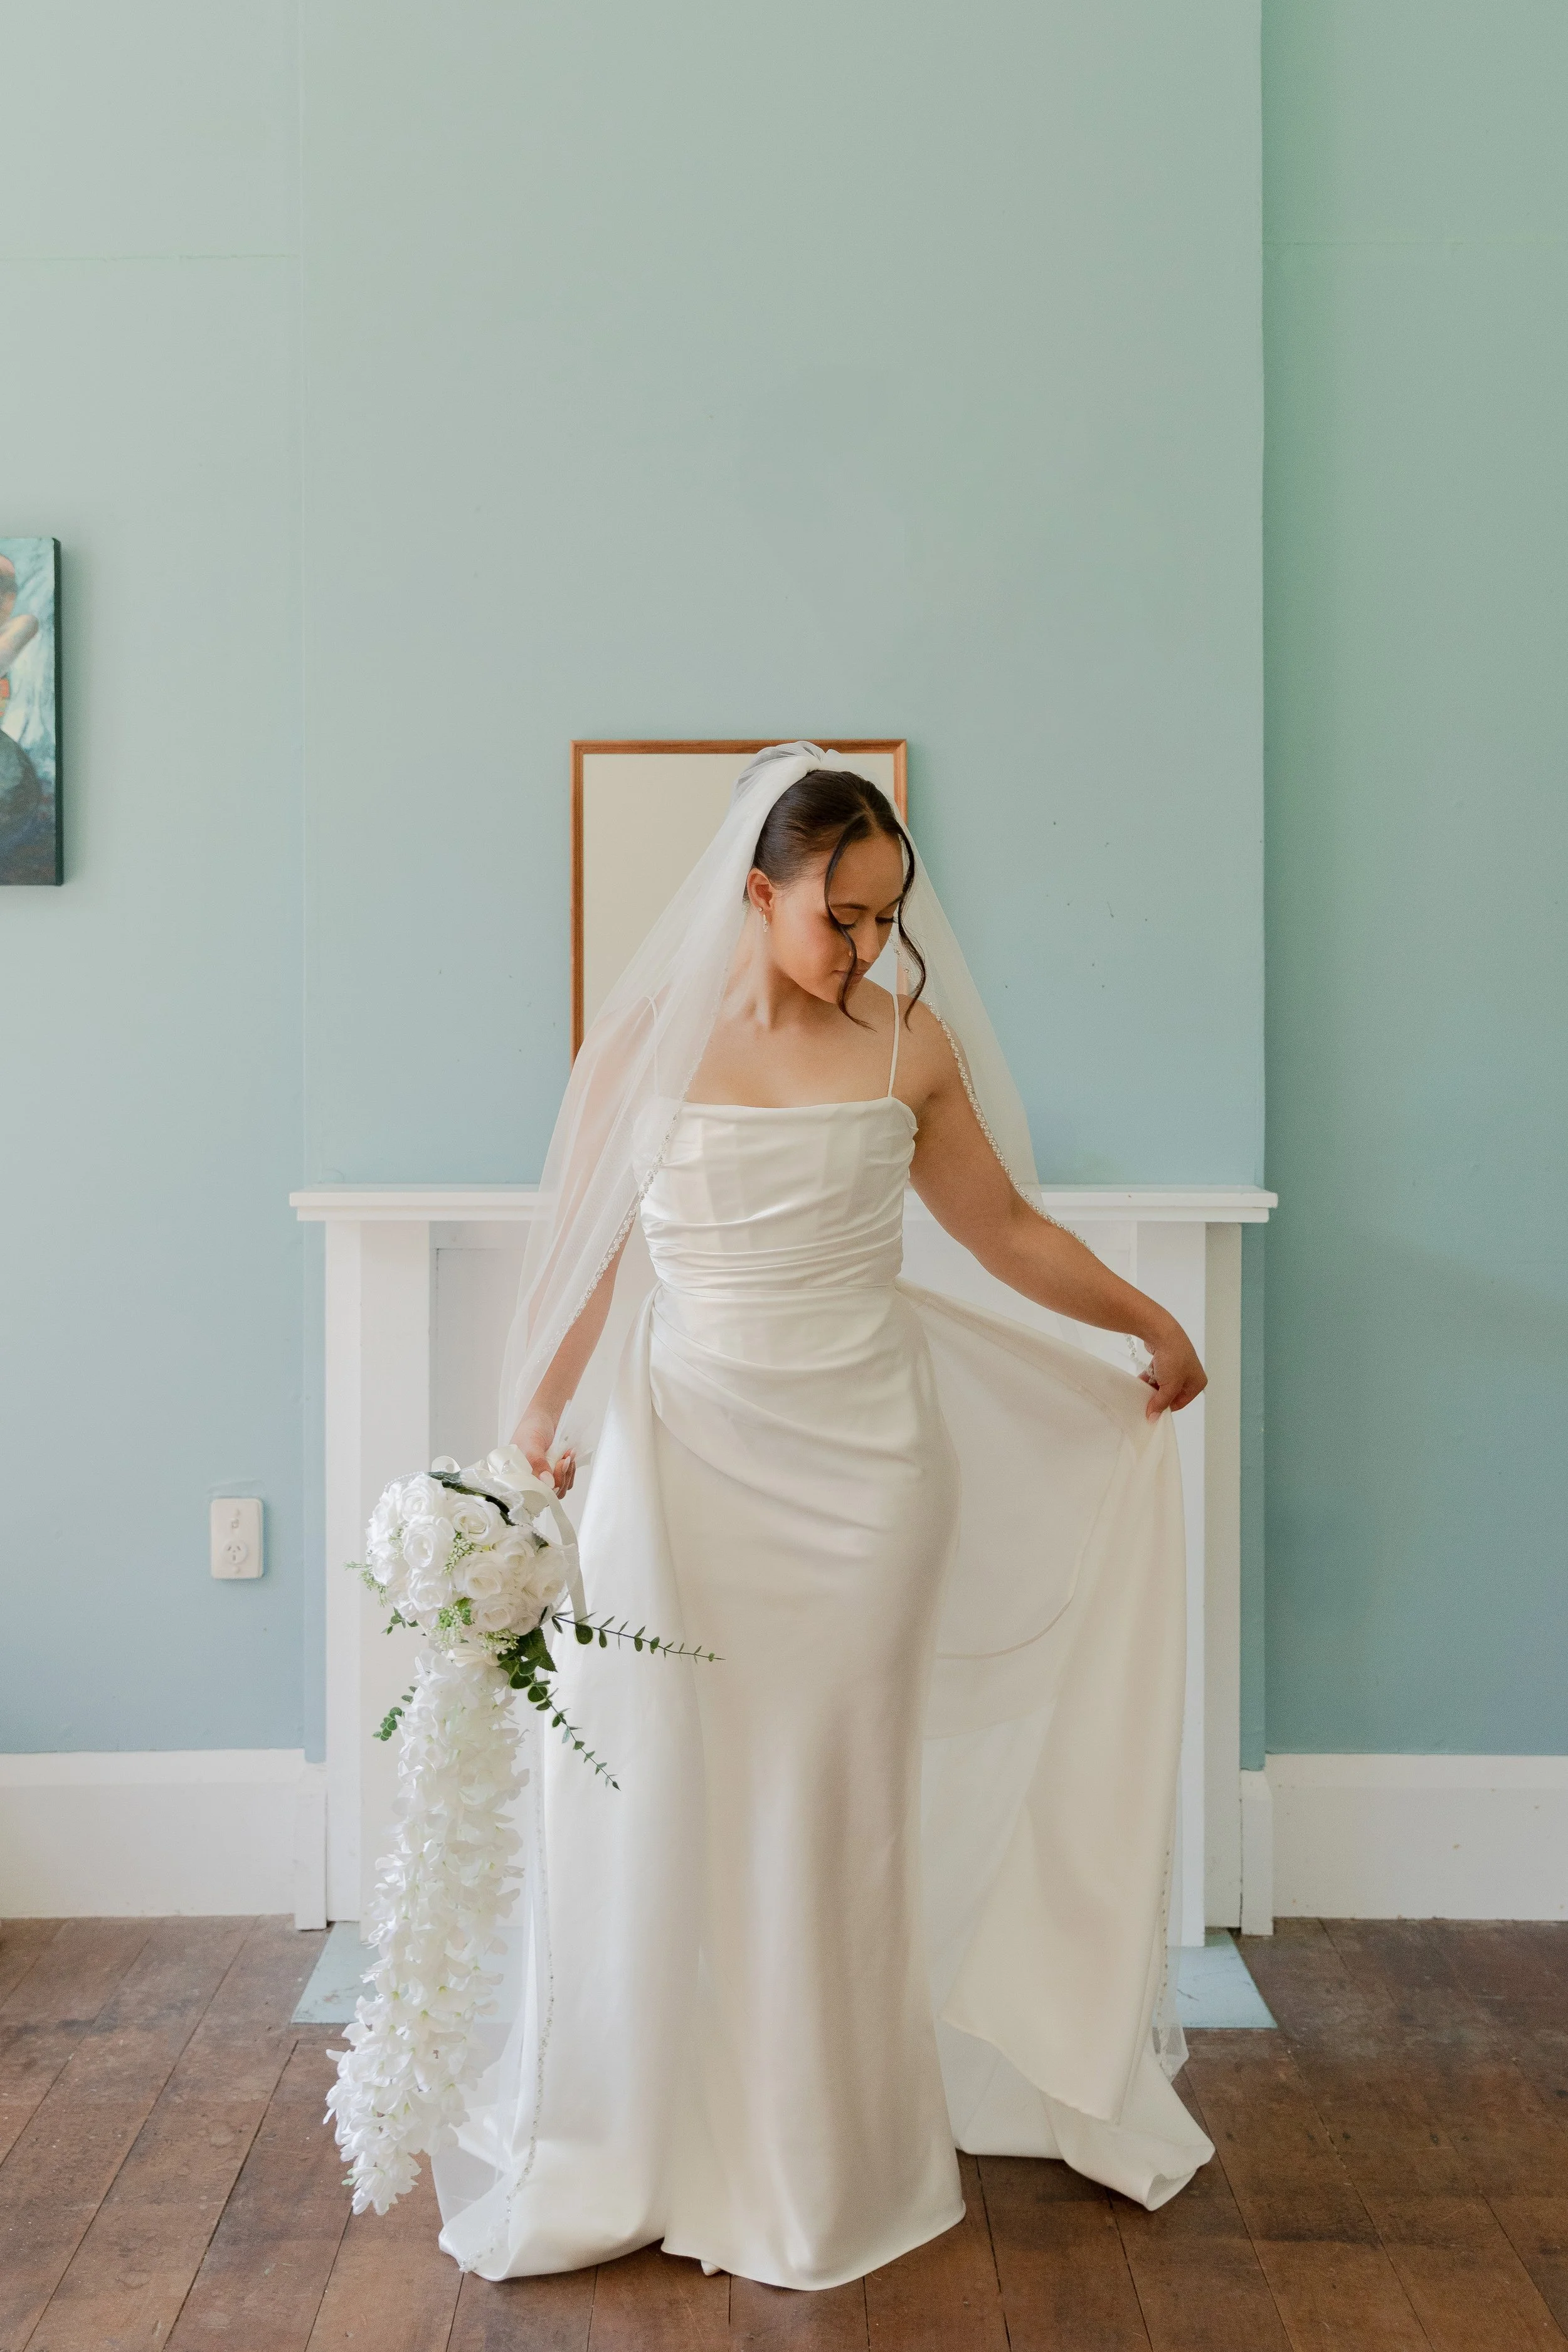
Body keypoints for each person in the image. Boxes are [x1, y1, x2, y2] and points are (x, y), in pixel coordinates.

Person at [431, 743, 1216, 2289]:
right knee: (661, 1790)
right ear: (756, 891)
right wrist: (530, 1432)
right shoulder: (641, 1049)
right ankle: (651, 2131)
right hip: (688, 1468)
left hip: (867, 1480)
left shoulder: (905, 1049)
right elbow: (581, 1265)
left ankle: (829, 2160)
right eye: (838, 917)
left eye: (882, 920)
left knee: (834, 1809)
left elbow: (996, 1229)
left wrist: (1147, 1324)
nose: (863, 948)